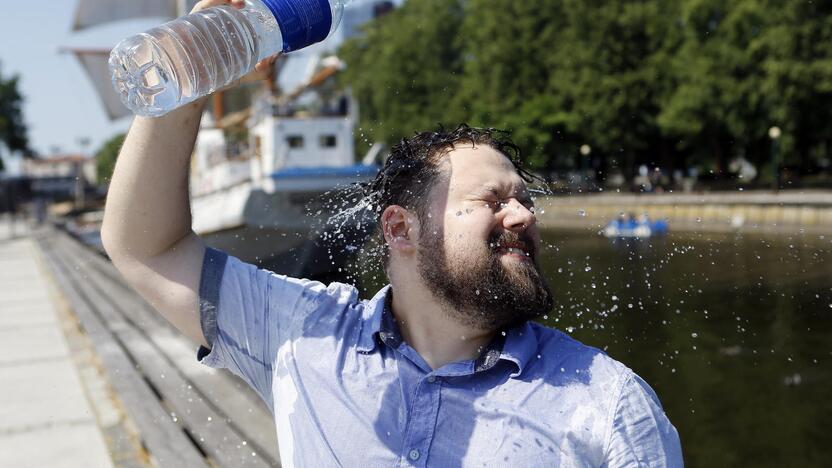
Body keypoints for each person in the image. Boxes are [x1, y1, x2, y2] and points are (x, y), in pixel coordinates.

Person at [102, 1, 683, 465]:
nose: (524, 216)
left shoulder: (608, 406)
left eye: (526, 202)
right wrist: (191, 74)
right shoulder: (303, 336)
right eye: (494, 200)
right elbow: (146, 248)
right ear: (400, 228)